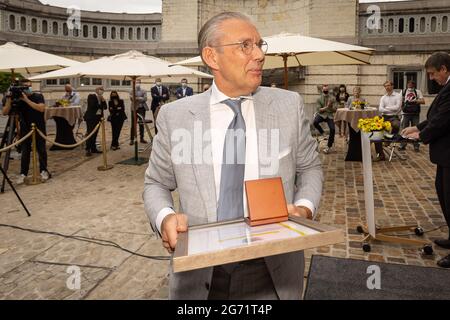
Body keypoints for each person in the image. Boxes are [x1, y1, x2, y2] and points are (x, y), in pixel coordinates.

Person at [143, 12, 323, 300]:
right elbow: (156, 183)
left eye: (259, 44)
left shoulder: (289, 106)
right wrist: (165, 218)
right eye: (245, 45)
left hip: (273, 271)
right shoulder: (175, 116)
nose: (260, 55)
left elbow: (310, 167)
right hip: (199, 274)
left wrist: (304, 207)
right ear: (212, 57)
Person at [402, 52, 450, 268]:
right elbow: (435, 117)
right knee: (443, 193)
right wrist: (417, 127)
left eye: (432, 74)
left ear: (444, 69)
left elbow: (442, 120)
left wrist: (421, 135)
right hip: (444, 155)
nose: (431, 78)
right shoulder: (446, 89)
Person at [2, 79, 50, 184]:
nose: (27, 88)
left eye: (28, 86)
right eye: (24, 87)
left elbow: (41, 109)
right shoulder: (17, 99)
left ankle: (43, 171)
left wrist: (26, 100)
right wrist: (9, 99)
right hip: (25, 129)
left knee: (41, 150)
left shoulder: (38, 96)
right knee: (25, 152)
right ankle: (23, 173)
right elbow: (5, 112)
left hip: (39, 128)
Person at [374, 80, 402, 161]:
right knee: (376, 131)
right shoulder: (383, 97)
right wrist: (389, 109)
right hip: (384, 117)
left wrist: (386, 108)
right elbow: (380, 109)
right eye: (385, 86)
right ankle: (380, 154)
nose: (387, 87)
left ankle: (389, 139)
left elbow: (397, 108)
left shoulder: (397, 96)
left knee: (396, 125)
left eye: (389, 85)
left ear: (392, 86)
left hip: (394, 117)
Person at [399, 80, 425, 152]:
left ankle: (416, 146)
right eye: (409, 84)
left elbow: (423, 101)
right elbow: (400, 102)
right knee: (404, 129)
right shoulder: (403, 91)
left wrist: (415, 101)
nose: (410, 86)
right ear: (407, 85)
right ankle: (402, 145)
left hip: (415, 114)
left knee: (416, 129)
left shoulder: (417, 92)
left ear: (414, 85)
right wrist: (400, 111)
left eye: (412, 85)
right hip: (405, 113)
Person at [313, 84, 337, 154]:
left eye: (327, 90)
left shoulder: (332, 98)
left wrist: (331, 107)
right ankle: (323, 133)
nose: (325, 91)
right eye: (324, 90)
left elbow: (335, 109)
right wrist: (327, 107)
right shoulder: (319, 99)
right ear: (322, 90)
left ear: (328, 90)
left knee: (332, 129)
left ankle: (328, 147)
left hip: (329, 115)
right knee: (315, 122)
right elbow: (319, 110)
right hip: (321, 115)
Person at [84, 86, 107, 157]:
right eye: (100, 89)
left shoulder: (102, 98)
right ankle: (88, 149)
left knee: (95, 133)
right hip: (91, 118)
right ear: (96, 90)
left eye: (103, 90)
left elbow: (105, 107)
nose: (102, 91)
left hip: (98, 118)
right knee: (90, 132)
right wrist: (99, 101)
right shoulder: (91, 96)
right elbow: (92, 105)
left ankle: (93, 148)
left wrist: (103, 100)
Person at [129, 79, 149, 145]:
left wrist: (137, 98)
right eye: (137, 82)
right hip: (134, 109)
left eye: (139, 82)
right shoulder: (132, 90)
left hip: (142, 108)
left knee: (141, 123)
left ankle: (142, 138)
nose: (138, 83)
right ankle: (132, 139)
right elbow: (132, 99)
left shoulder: (144, 90)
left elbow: (145, 99)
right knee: (133, 124)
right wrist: (140, 98)